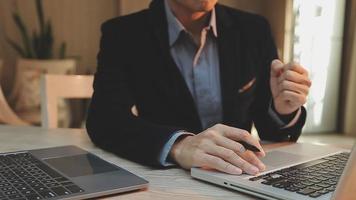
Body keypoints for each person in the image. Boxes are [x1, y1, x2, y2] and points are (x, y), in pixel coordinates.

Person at [86, 0, 311, 175]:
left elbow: (271, 134)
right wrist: (179, 146)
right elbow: (104, 119)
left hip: (241, 174)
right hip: (167, 180)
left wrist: (283, 108)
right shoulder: (124, 34)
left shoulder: (253, 30)